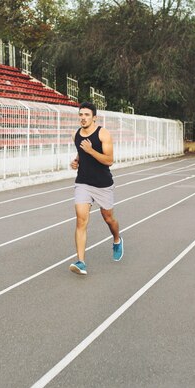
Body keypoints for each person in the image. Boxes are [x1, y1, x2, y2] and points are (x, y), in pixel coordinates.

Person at [69, 102, 123, 275]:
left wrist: (91, 151)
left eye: (86, 115)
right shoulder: (75, 134)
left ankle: (116, 239)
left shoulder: (103, 133)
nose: (83, 118)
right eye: (81, 115)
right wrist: (76, 160)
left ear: (94, 117)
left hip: (102, 184)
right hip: (83, 182)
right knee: (81, 220)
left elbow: (109, 160)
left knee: (108, 218)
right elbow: (81, 151)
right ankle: (81, 262)